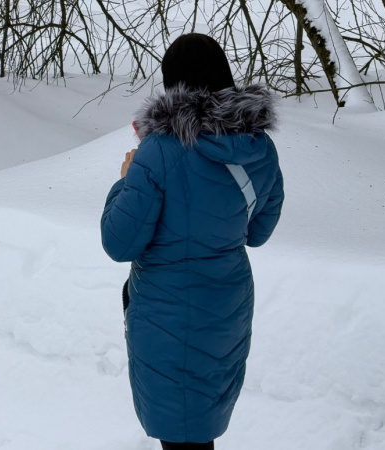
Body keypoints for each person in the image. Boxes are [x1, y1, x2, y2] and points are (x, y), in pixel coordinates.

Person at [100, 33, 284, 450]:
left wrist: (125, 181)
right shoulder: (260, 148)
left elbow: (118, 242)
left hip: (168, 311)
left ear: (173, 85)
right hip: (226, 306)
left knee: (181, 434)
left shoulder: (159, 150)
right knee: (197, 429)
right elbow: (258, 232)